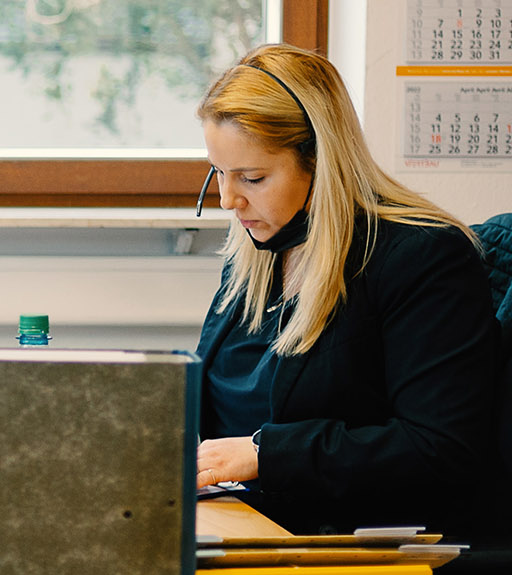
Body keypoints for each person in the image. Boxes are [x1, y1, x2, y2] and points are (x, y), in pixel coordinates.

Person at [192, 43, 499, 536]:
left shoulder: (422, 257)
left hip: (338, 542)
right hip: (237, 522)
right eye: (217, 174)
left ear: (321, 161)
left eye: (252, 177)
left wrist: (264, 455)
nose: (229, 200)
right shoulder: (256, 253)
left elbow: (438, 449)